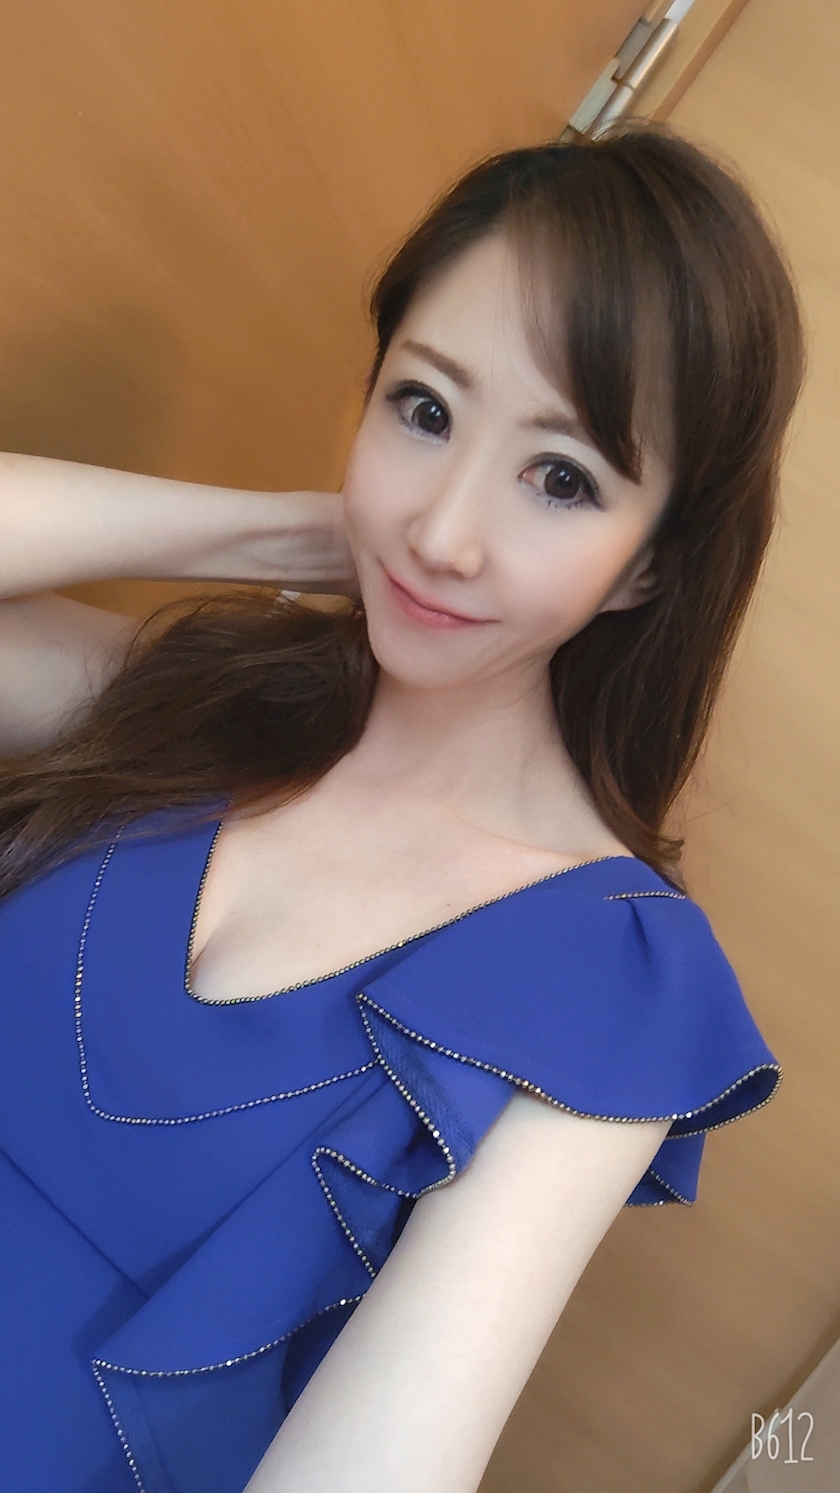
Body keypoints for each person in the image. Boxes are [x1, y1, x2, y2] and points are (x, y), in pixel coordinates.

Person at [0, 124, 803, 1493]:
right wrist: (288, 534)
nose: (443, 533)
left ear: (649, 566)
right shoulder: (197, 698)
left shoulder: (611, 986)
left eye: (563, 478)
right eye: (424, 410)